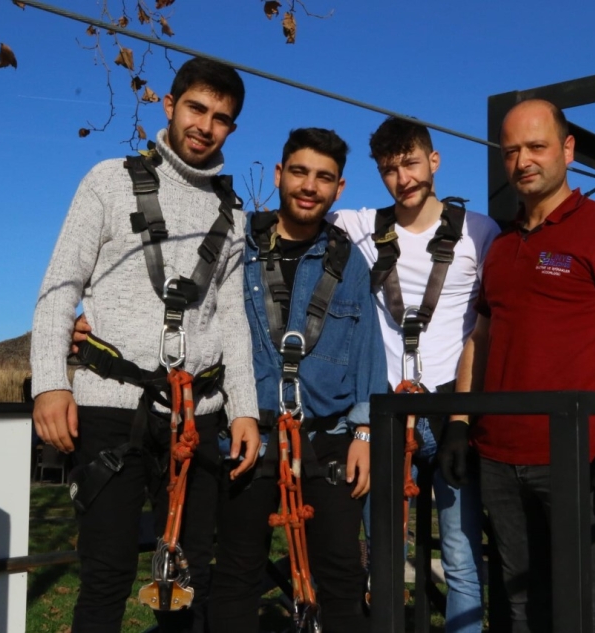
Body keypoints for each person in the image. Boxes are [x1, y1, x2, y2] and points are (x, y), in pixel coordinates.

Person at [30, 57, 260, 633]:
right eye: (196, 109)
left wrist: (245, 410)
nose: (205, 126)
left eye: (221, 118)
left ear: (232, 128)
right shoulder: (108, 180)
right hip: (111, 408)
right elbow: (60, 286)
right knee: (105, 574)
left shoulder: (233, 213)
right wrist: (51, 383)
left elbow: (233, 319)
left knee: (187, 579)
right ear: (170, 105)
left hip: (196, 415)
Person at [439, 98, 595, 632]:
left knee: (589, 609)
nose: (522, 161)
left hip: (574, 457)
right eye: (511, 151)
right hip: (498, 459)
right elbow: (481, 338)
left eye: (536, 147)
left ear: (567, 150)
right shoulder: (501, 246)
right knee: (521, 607)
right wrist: (459, 421)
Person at [207, 128, 387, 633]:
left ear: (339, 188)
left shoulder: (349, 261)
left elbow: (369, 351)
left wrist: (365, 433)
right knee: (237, 574)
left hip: (328, 441)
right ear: (278, 175)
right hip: (249, 432)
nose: (310, 186)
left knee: (342, 577)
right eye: (300, 172)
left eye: (324, 178)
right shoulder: (236, 245)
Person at [330, 117, 500, 632]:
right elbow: (294, 219)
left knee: (460, 555)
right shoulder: (358, 226)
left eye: (411, 163)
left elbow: (498, 318)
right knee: (382, 554)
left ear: (434, 161)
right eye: (389, 169)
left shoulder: (479, 232)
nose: (403, 178)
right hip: (388, 412)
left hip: (452, 410)